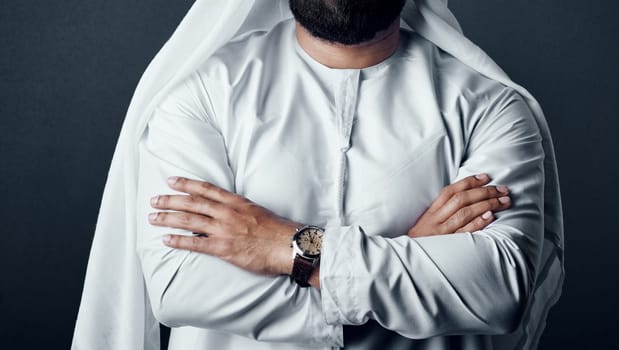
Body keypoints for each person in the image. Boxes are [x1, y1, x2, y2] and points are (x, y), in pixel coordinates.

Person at [71, 1, 565, 349]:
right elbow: (181, 284)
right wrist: (409, 260)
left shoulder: (492, 108)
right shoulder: (202, 97)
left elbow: (499, 288)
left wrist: (288, 245)